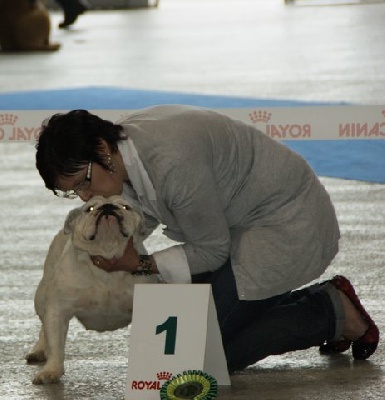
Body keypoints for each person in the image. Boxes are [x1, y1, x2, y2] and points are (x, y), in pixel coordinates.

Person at [35, 105, 379, 372]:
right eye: (73, 192)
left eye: (83, 182)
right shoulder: (124, 148)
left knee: (202, 357)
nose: (83, 196)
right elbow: (154, 206)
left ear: (100, 147)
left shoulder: (172, 160)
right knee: (191, 320)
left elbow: (211, 249)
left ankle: (331, 312)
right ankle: (297, 301)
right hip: (234, 229)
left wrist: (139, 263)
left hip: (286, 223)